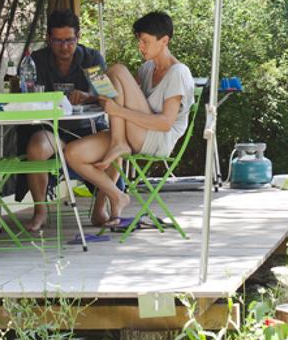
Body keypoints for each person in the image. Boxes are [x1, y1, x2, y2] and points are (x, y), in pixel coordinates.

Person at [65, 11, 195, 227]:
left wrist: (118, 112)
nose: (140, 47)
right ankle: (116, 197)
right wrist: (91, 97)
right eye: (139, 41)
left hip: (158, 139)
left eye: (145, 41)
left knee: (116, 69)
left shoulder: (178, 73)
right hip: (132, 133)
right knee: (72, 153)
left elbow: (165, 122)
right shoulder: (147, 69)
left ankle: (118, 144)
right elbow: (120, 98)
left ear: (164, 41)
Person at [20, 9, 106, 232]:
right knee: (36, 146)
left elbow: (109, 96)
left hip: (88, 130)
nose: (64, 46)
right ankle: (40, 211)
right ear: (49, 39)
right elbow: (25, 97)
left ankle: (100, 208)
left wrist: (90, 96)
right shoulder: (35, 61)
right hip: (52, 130)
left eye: (69, 40)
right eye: (58, 41)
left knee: (115, 143)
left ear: (78, 37)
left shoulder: (92, 58)